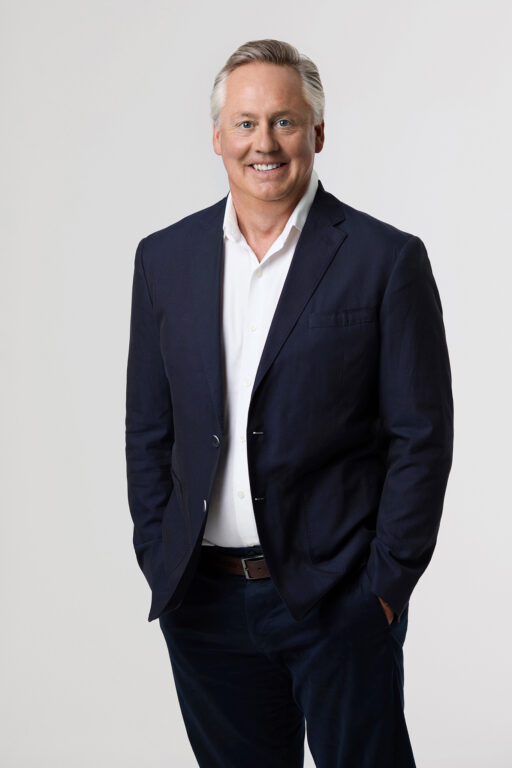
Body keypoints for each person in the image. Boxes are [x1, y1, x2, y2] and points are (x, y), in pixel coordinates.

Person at [125, 38, 454, 767]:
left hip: (338, 600)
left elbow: (421, 437)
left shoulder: (384, 259)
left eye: (284, 121)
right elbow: (149, 426)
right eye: (245, 123)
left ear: (317, 133)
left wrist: (383, 588)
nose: (264, 143)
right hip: (204, 606)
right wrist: (158, 554)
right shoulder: (164, 259)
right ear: (217, 137)